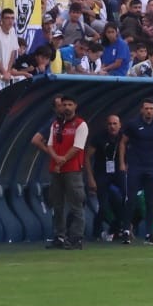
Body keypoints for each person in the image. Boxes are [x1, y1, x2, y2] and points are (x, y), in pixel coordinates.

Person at [31, 93, 89, 249]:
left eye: (70, 104)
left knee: (76, 204)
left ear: (75, 106)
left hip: (72, 169)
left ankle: (76, 238)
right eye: (65, 105)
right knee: (57, 205)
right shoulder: (55, 124)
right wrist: (55, 157)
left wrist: (61, 159)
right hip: (56, 169)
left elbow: (78, 147)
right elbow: (49, 144)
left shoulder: (80, 124)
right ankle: (59, 236)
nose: (67, 107)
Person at [122, 97, 153, 244]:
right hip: (135, 166)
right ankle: (126, 231)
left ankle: (148, 234)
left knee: (150, 201)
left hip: (151, 167)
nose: (149, 111)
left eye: (151, 109)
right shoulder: (133, 125)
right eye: (146, 108)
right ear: (141, 110)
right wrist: (122, 163)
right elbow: (123, 143)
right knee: (131, 199)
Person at [86, 113, 127, 241]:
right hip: (102, 173)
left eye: (115, 124)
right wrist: (90, 178)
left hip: (118, 172)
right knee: (103, 206)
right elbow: (86, 157)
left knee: (125, 201)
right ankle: (96, 233)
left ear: (120, 125)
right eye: (110, 124)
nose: (112, 126)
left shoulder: (124, 137)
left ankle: (118, 229)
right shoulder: (99, 137)